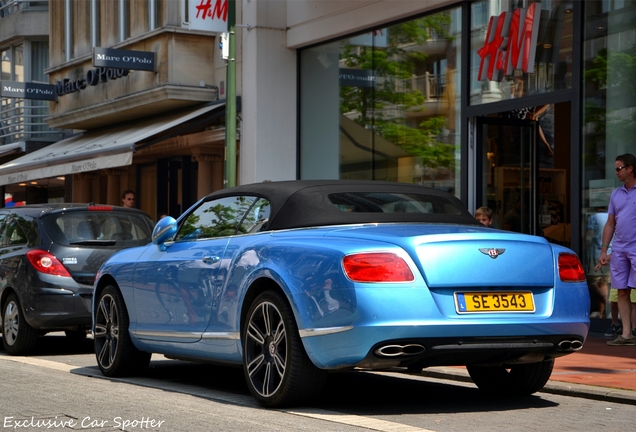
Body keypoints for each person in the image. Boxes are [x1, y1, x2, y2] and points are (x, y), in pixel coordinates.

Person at [598, 153, 636, 346]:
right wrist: (604, 250)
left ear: (630, 169)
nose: (616, 172)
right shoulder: (616, 194)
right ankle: (626, 334)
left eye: (619, 168)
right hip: (620, 248)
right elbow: (610, 224)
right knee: (622, 291)